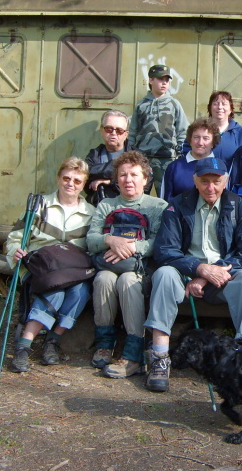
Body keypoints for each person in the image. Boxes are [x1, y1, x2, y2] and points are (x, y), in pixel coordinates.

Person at [143, 157, 242, 392]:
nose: (211, 187)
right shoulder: (177, 206)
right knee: (164, 274)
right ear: (195, 181)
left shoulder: (239, 206)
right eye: (204, 181)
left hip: (222, 277)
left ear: (226, 181)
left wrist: (209, 273)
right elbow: (165, 251)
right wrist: (197, 269)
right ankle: (159, 357)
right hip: (183, 277)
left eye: (216, 181)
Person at [7, 157, 95, 373]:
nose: (70, 184)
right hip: (39, 267)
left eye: (77, 181)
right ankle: (24, 347)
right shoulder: (39, 205)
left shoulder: (91, 213)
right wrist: (14, 252)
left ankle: (52, 341)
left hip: (72, 271)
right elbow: (15, 237)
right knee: (54, 289)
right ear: (58, 178)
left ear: (83, 185)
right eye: (66, 178)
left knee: (81, 290)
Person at [86, 151, 168, 378]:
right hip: (109, 267)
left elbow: (160, 242)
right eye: (123, 175)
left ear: (145, 179)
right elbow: (91, 240)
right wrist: (110, 240)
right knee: (103, 279)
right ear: (116, 179)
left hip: (141, 271)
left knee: (128, 280)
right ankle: (105, 343)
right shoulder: (106, 205)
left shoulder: (158, 206)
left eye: (134, 175)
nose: (128, 180)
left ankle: (134, 353)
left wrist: (133, 247)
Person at [128, 64, 189, 196]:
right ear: (151, 80)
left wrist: (179, 152)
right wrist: (132, 153)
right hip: (143, 158)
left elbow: (182, 130)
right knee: (139, 194)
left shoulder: (174, 104)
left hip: (166, 158)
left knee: (166, 195)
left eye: (167, 80)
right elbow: (133, 131)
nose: (164, 83)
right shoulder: (141, 105)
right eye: (160, 79)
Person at [85, 110, 138, 206]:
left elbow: (143, 187)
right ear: (102, 130)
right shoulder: (93, 155)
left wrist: (110, 182)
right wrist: (121, 171)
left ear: (126, 134)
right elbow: (86, 178)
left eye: (119, 131)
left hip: (129, 209)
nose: (113, 133)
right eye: (109, 129)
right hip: (98, 209)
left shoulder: (137, 156)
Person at [160, 118, 220, 202]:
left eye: (206, 138)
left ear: (213, 142)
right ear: (190, 140)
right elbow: (165, 201)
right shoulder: (174, 168)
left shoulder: (221, 168)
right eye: (196, 137)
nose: (200, 143)